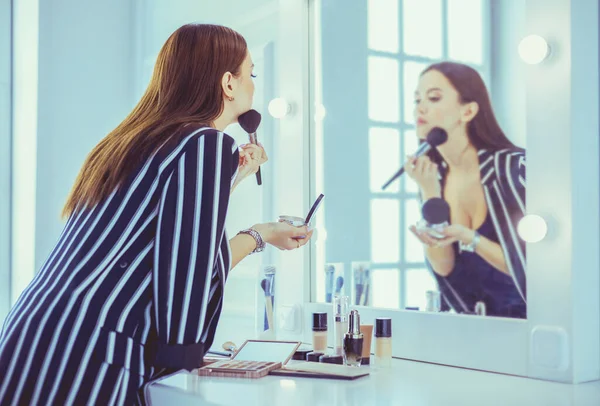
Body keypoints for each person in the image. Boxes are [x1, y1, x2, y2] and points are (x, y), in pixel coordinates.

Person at [0, 24, 313, 405]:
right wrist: (183, 366)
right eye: (251, 74)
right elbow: (186, 280)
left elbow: (166, 249)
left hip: (36, 335)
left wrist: (257, 225)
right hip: (90, 354)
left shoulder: (133, 140)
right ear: (228, 83)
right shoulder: (207, 144)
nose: (253, 85)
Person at [407, 61, 526, 319]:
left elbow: (533, 266)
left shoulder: (512, 167)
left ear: (468, 111)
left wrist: (470, 238)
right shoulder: (434, 178)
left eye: (434, 97)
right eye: (416, 100)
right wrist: (430, 193)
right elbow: (443, 267)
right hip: (470, 333)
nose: (421, 107)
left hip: (529, 331)